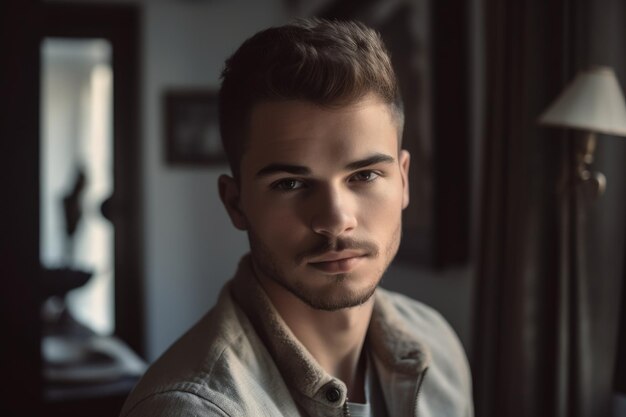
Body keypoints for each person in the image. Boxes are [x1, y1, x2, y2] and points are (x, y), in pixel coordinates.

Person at [120, 18, 473, 417]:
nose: (337, 220)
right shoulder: (192, 409)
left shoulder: (436, 344)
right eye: (290, 184)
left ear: (404, 181)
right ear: (236, 204)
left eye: (365, 175)